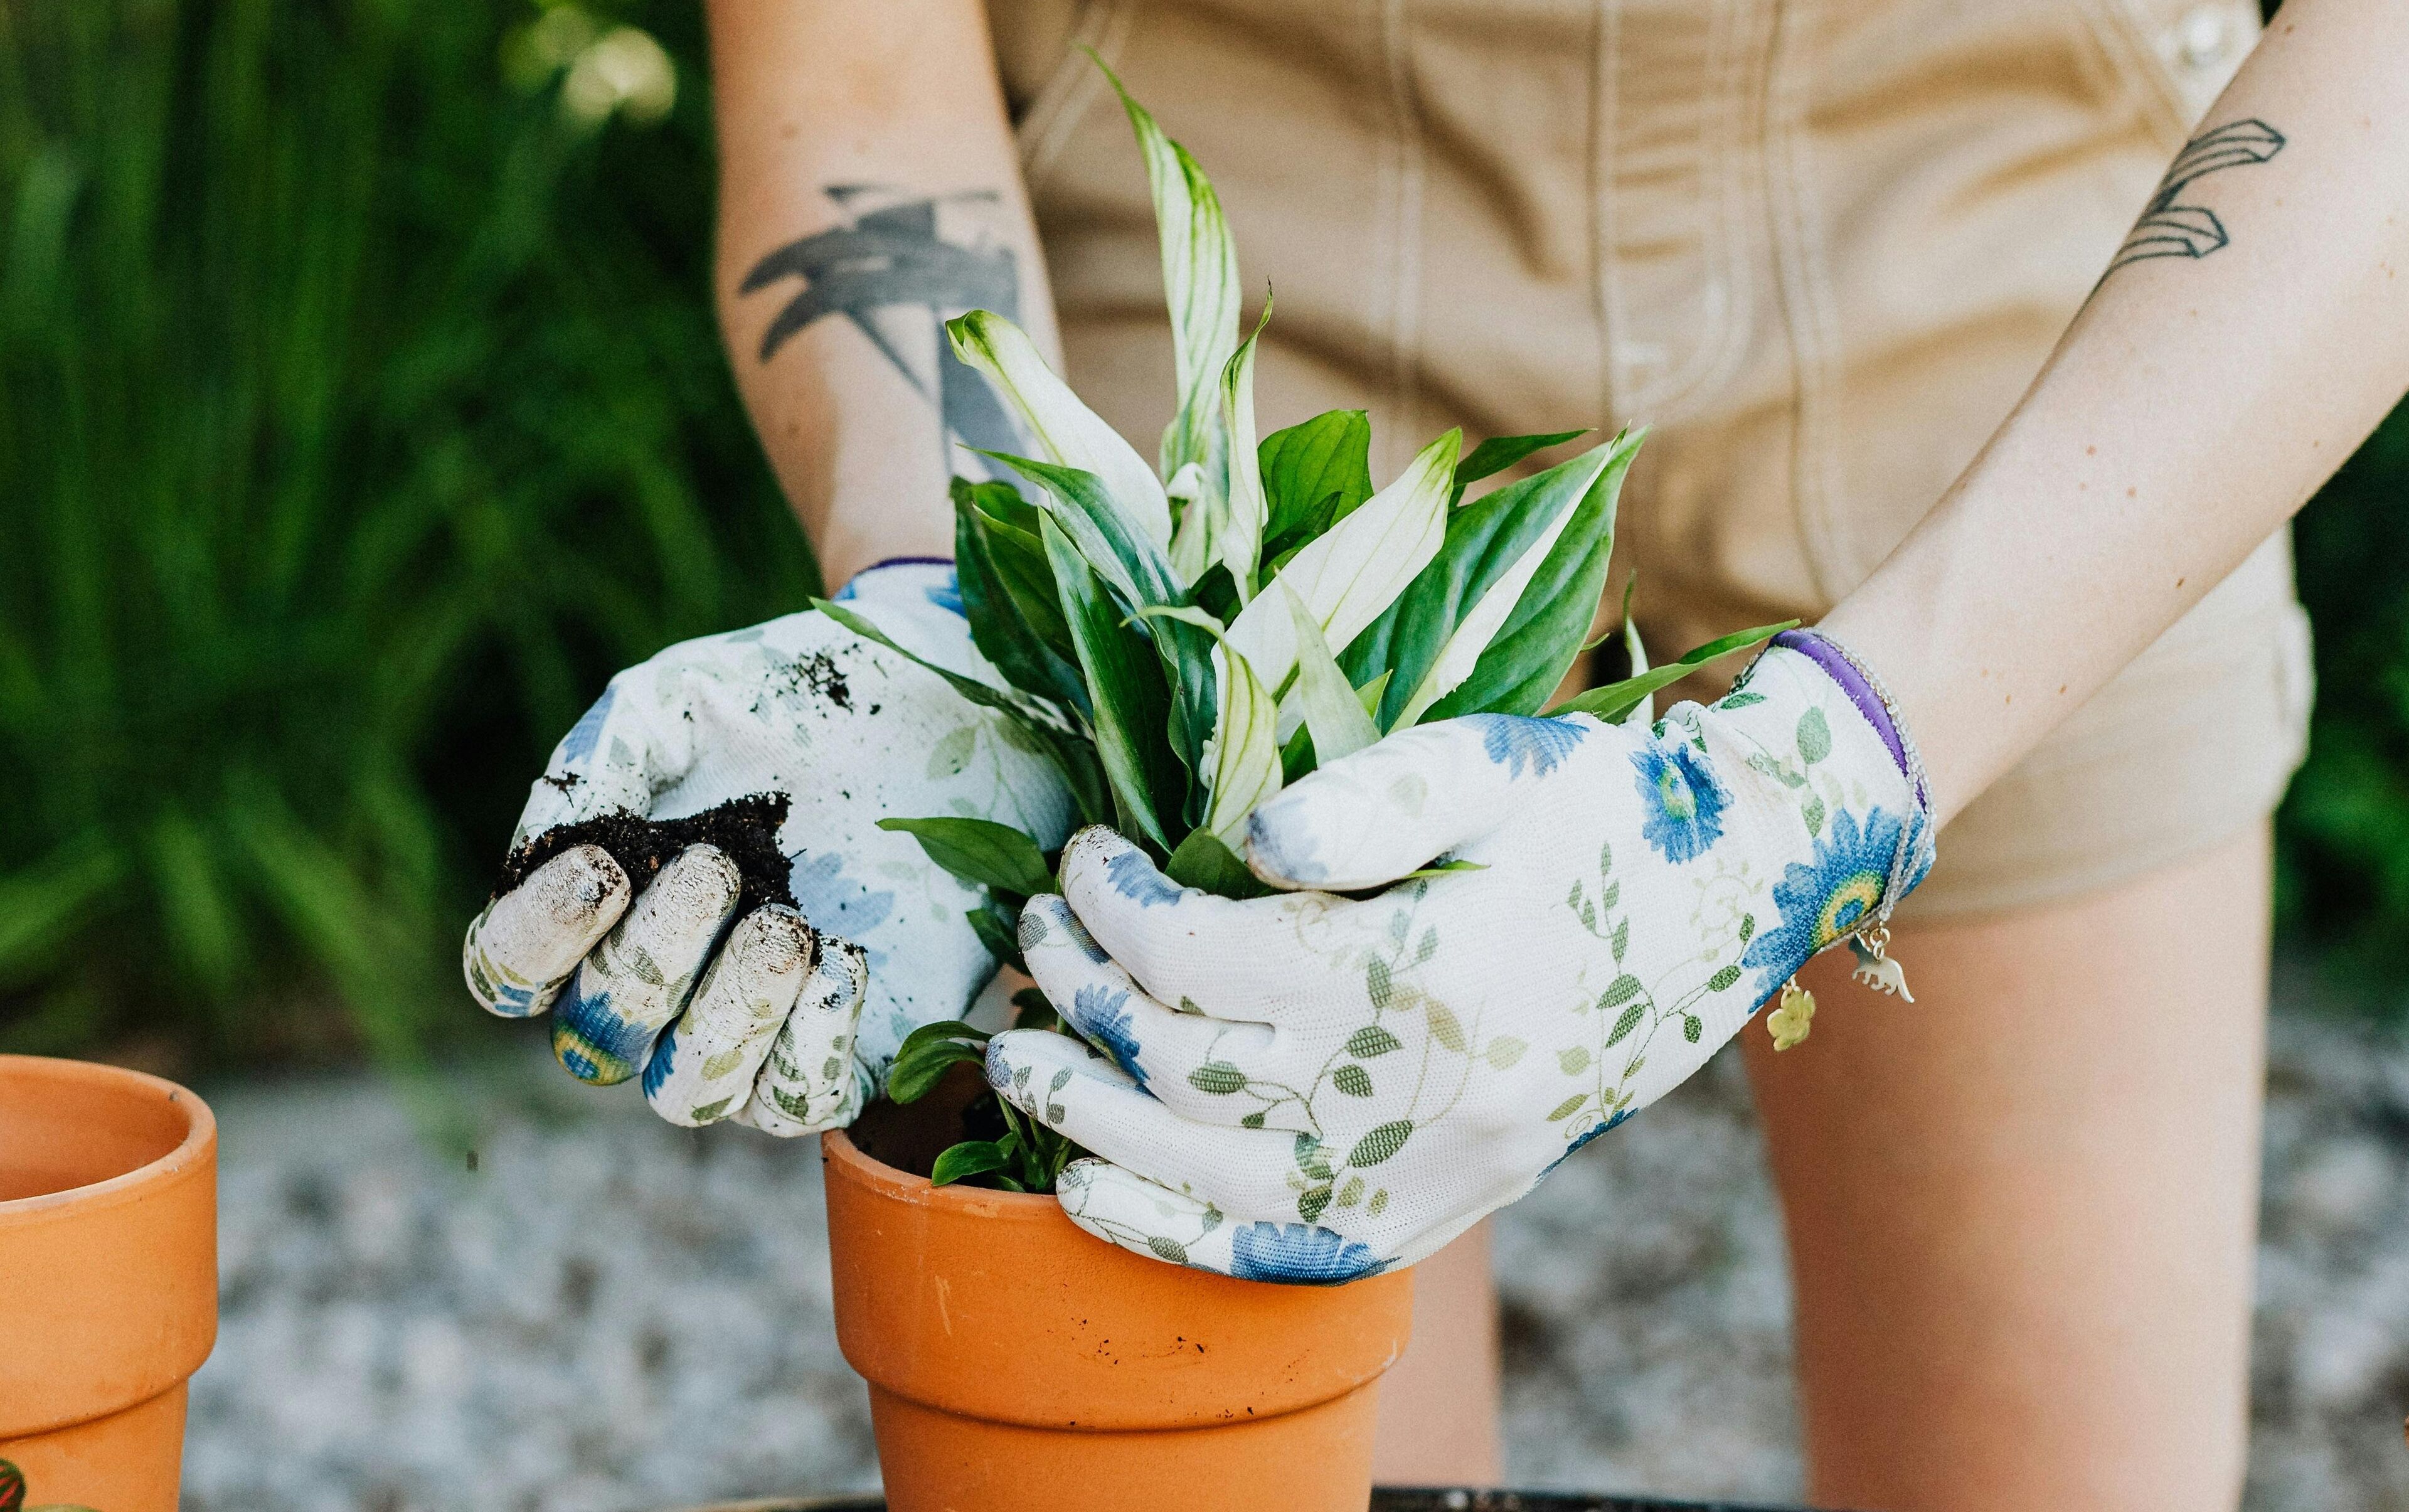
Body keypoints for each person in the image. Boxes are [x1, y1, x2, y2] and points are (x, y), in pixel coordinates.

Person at [462, 0, 2409, 1505]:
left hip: (2047, 268)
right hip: (1226, 257)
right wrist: (961, 599)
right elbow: (857, 61)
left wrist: (1832, 771)